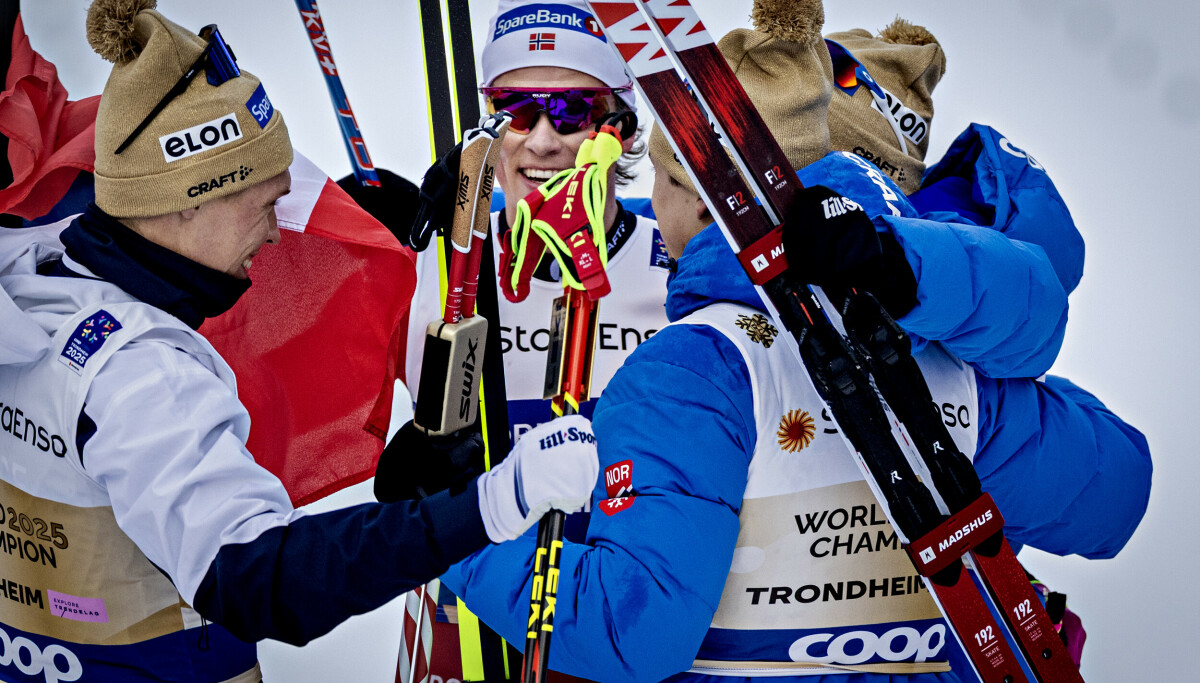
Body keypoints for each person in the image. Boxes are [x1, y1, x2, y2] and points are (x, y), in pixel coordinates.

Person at [435, 2, 1152, 681]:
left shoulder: (685, 373)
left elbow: (636, 624)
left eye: (660, 177)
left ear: (695, 197)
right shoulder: (955, 356)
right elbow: (1113, 491)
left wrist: (456, 528)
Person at [0, 3, 597, 681]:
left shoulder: (30, 267)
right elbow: (264, 577)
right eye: (266, 205)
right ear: (190, 197)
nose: (281, 235)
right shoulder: (139, 376)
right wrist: (490, 504)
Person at [403, 0, 668, 453]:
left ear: (619, 128)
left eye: (571, 111)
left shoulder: (677, 271)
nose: (543, 142)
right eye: (518, 112)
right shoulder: (435, 269)